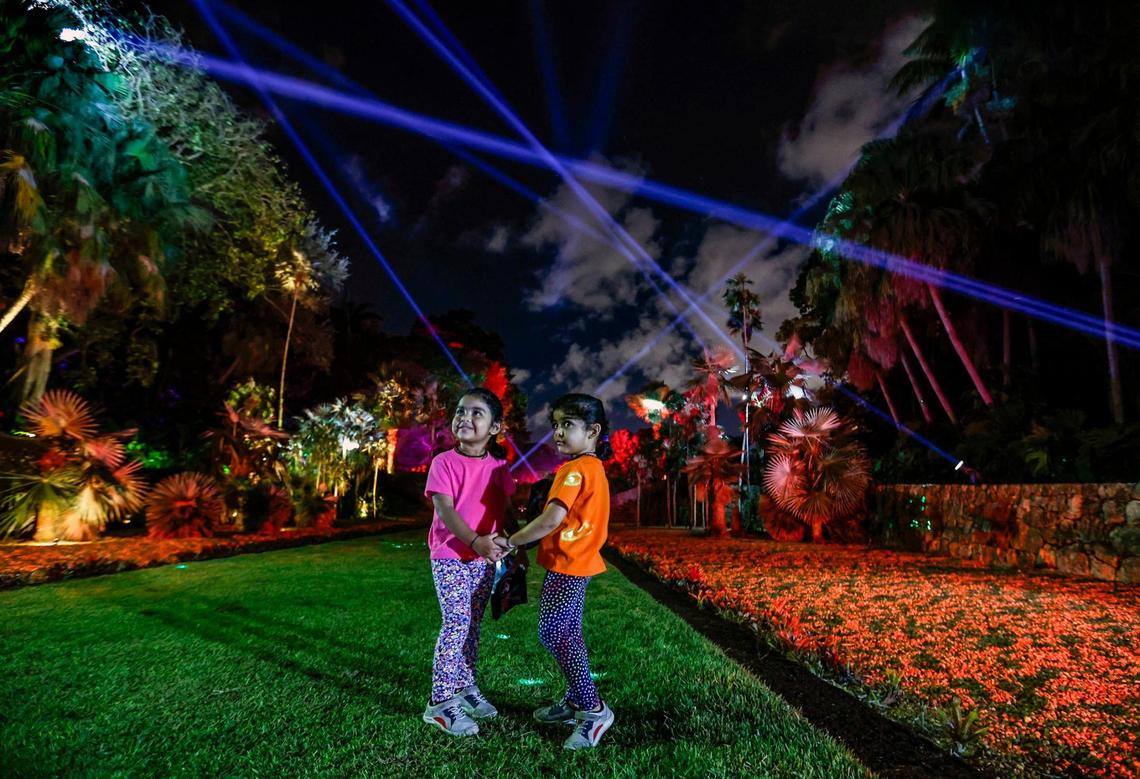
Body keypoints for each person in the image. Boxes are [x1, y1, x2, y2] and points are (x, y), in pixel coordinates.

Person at [496, 393, 615, 750]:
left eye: (568, 425)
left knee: (554, 633)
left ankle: (593, 710)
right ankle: (578, 699)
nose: (558, 433)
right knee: (567, 632)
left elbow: (552, 519)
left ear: (592, 430)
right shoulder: (592, 469)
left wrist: (511, 540)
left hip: (569, 565)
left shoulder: (576, 470)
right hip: (575, 563)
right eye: (556, 425)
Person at [421, 388, 516, 737]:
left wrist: (509, 543)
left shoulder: (500, 468)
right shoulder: (443, 463)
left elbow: (504, 512)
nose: (465, 418)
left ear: (495, 428)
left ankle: (464, 686)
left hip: (484, 558)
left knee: (473, 625)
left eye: (477, 413)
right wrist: (475, 541)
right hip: (450, 555)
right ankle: (440, 703)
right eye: (461, 411)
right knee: (457, 622)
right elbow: (445, 511)